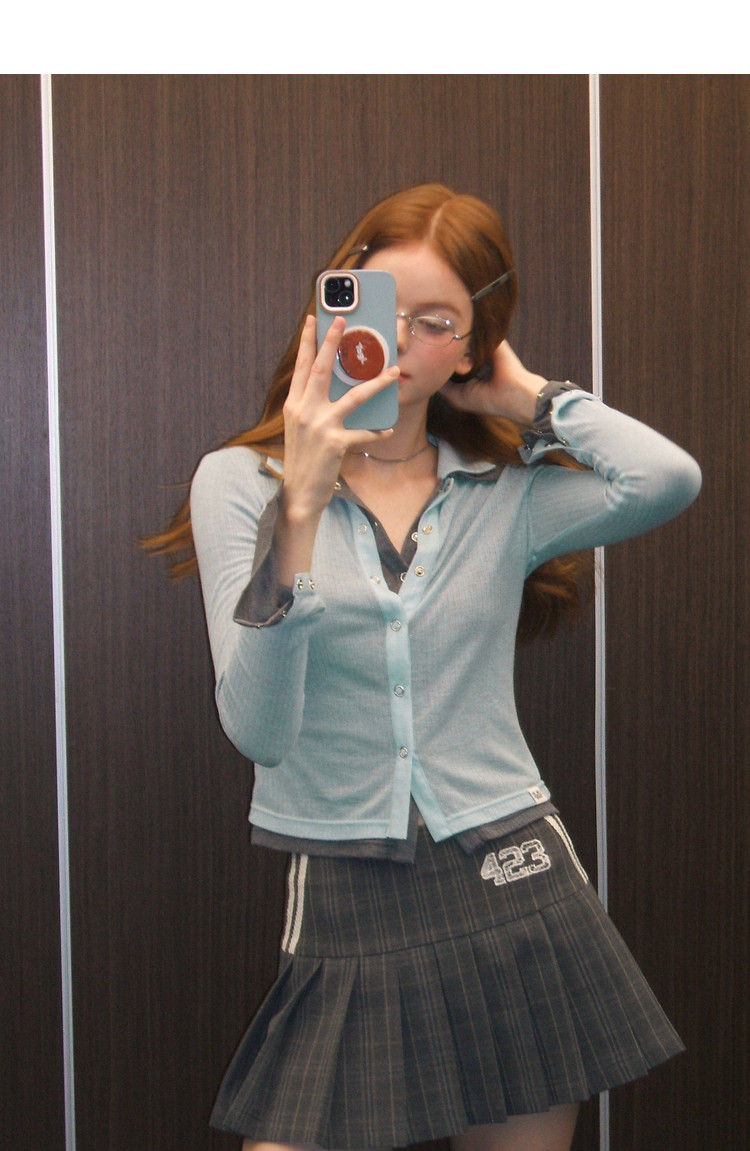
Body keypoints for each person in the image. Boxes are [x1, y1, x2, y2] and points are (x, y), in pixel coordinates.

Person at [146, 183, 701, 1151]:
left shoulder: (504, 495)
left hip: (514, 876)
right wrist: (301, 509)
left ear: (471, 349)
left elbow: (667, 479)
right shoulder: (239, 483)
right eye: (379, 306)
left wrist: (528, 398)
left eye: (436, 322)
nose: (398, 341)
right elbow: (260, 730)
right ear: (333, 306)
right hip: (349, 895)